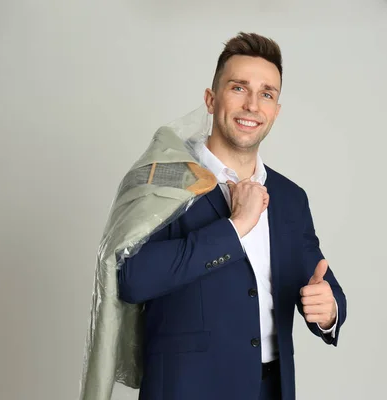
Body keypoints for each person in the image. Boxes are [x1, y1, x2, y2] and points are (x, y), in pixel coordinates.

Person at [117, 31, 347, 400]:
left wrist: (329, 308)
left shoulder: (290, 198)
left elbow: (320, 278)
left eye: (266, 94)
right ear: (211, 99)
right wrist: (235, 226)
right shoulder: (164, 179)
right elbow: (132, 278)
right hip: (186, 389)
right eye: (239, 88)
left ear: (275, 110)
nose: (252, 105)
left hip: (270, 389)